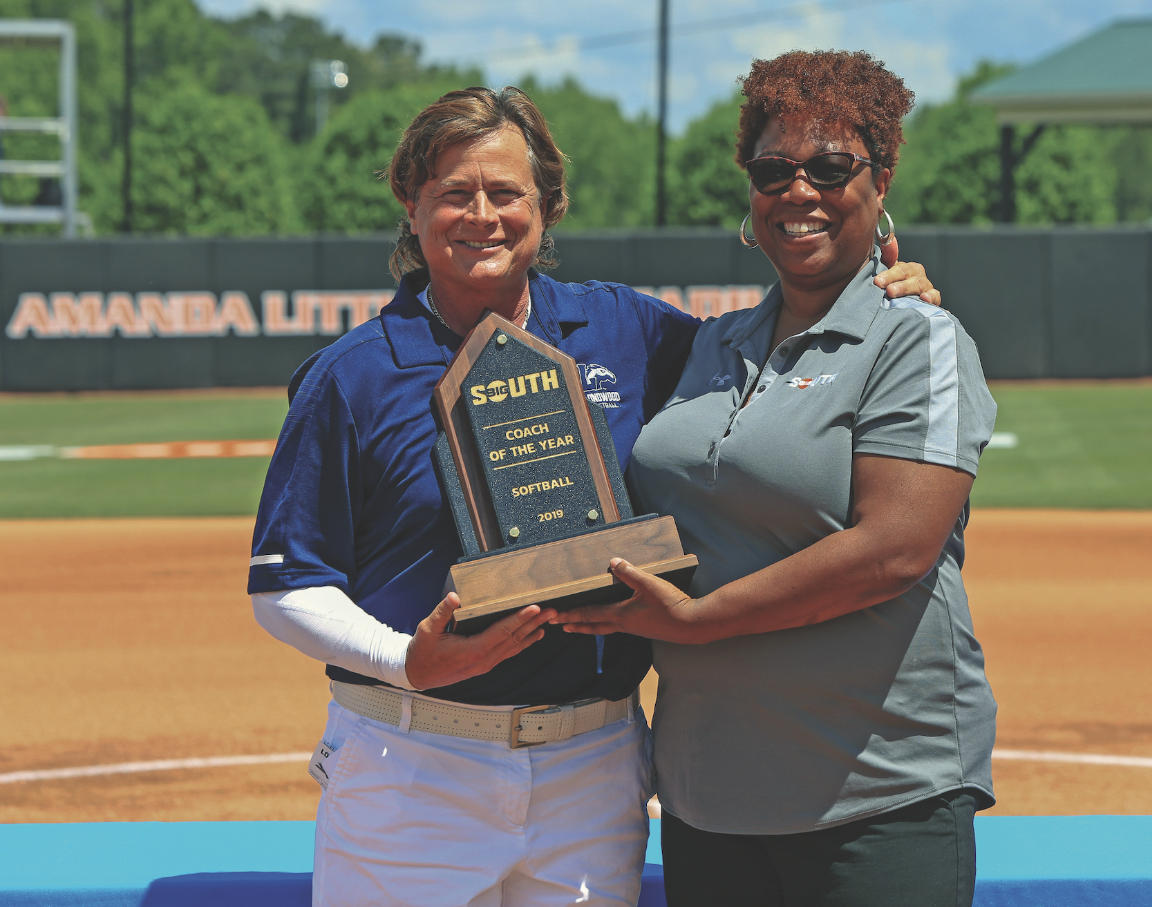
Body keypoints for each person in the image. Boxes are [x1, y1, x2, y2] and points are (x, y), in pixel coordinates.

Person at [246, 84, 940, 907]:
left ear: (547, 205)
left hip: (594, 763)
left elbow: (775, 370)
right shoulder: (350, 374)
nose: (482, 216)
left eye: (506, 193)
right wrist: (407, 661)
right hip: (412, 768)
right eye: (453, 194)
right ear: (411, 203)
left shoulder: (627, 331)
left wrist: (882, 293)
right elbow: (285, 584)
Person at [556, 51, 999, 907]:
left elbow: (894, 551)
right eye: (772, 170)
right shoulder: (708, 347)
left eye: (832, 167)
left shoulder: (919, 341)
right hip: (706, 794)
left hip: (876, 792)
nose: (799, 192)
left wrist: (694, 620)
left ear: (882, 178)